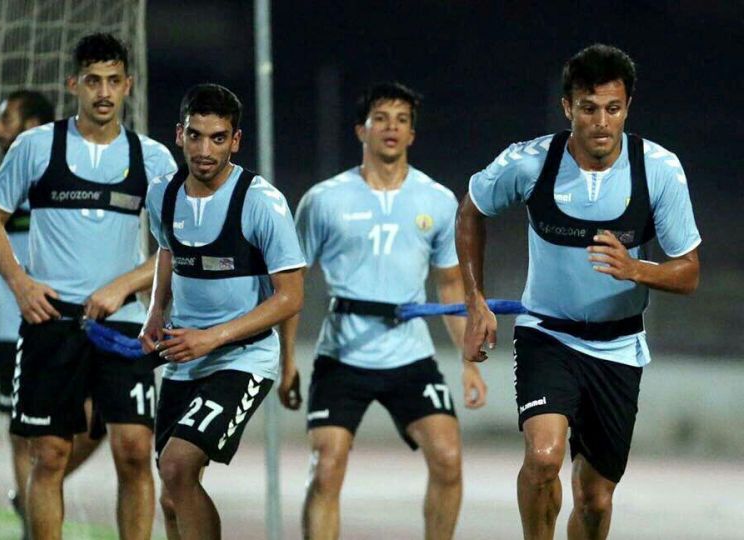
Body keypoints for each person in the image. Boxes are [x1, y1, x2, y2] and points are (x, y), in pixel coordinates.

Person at [456, 44, 701, 540]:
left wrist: (636, 269)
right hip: (548, 336)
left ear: (628, 107)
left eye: (613, 108)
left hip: (618, 347)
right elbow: (470, 212)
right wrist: (475, 301)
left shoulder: (658, 169)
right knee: (544, 458)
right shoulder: (529, 163)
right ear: (568, 107)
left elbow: (689, 272)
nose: (601, 123)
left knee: (594, 499)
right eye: (588, 108)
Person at [0, 34, 177, 539]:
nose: (103, 92)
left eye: (113, 81)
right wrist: (21, 284)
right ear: (74, 85)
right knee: (49, 454)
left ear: (128, 85)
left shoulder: (152, 158)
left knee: (134, 450)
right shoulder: (35, 147)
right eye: (93, 81)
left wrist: (124, 284)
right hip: (52, 321)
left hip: (123, 325)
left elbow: (179, 244)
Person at [281, 82, 488, 540]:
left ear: (412, 133)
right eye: (381, 118)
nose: (392, 127)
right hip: (342, 356)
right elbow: (291, 287)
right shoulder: (324, 200)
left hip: (409, 356)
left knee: (448, 459)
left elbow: (450, 286)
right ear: (362, 129)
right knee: (326, 467)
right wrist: (287, 360)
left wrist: (469, 362)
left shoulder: (437, 200)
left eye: (402, 120)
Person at [139, 83, 305, 540]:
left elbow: (290, 297)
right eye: (195, 135)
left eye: (217, 138)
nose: (204, 150)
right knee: (171, 494)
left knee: (177, 466)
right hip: (183, 357)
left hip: (242, 358)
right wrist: (156, 311)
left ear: (235, 141)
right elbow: (167, 251)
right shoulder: (162, 194)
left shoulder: (261, 201)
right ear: (180, 135)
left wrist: (212, 338)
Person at [0, 90, 105, 536]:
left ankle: (32, 494)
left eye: (6, 119)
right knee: (23, 435)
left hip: (75, 324)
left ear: (32, 126)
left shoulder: (73, 177)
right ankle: (32, 527)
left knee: (99, 421)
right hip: (11, 329)